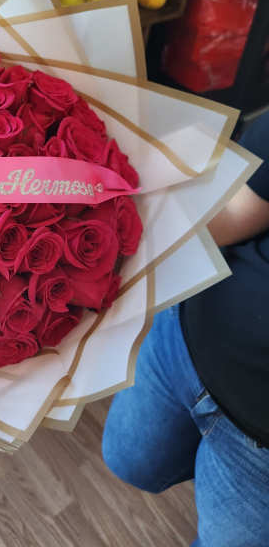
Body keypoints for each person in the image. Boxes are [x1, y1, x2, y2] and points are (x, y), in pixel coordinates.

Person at [102, 111, 269, 547]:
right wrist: (121, 211)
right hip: (184, 340)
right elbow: (242, 208)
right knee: (128, 460)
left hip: (262, 448)